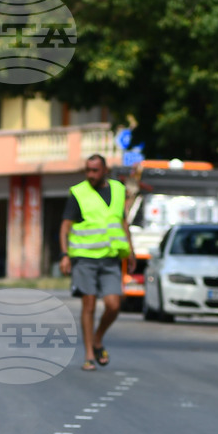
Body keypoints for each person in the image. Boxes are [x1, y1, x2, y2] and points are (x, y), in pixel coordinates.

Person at [59, 155, 135, 371]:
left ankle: (98, 338)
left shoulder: (119, 190)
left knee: (114, 305)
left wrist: (131, 251)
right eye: (87, 170)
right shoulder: (78, 193)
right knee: (89, 304)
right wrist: (64, 255)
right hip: (84, 258)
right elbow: (65, 227)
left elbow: (122, 222)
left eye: (95, 170)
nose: (90, 175)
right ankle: (89, 355)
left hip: (110, 257)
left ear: (105, 170)